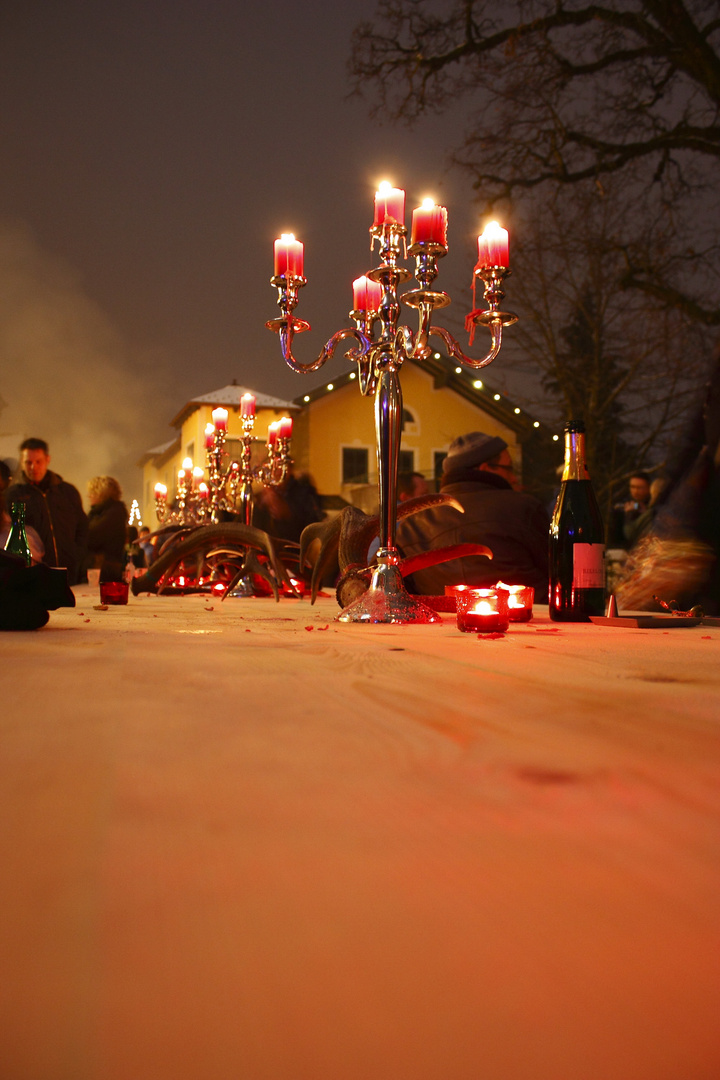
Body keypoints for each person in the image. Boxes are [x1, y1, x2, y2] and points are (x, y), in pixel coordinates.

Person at [396, 431, 550, 596]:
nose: (513, 478)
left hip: (440, 620)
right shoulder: (524, 508)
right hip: (530, 618)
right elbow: (558, 571)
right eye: (509, 468)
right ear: (485, 468)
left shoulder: (410, 525)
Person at [5, 438, 87, 584]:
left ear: (47, 460)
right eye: (28, 462)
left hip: (69, 571)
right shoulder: (13, 496)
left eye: (38, 462)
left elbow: (82, 527)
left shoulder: (67, 492)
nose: (33, 467)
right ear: (22, 463)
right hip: (34, 573)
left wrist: (77, 554)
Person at [85, 476, 129, 582]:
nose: (88, 496)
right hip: (100, 569)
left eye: (92, 492)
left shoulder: (113, 513)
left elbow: (90, 537)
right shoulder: (100, 513)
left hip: (105, 571)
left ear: (101, 494)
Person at [609, 471, 652, 549]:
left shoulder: (653, 507)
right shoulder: (622, 505)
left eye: (640, 488)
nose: (635, 491)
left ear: (648, 488)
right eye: (632, 487)